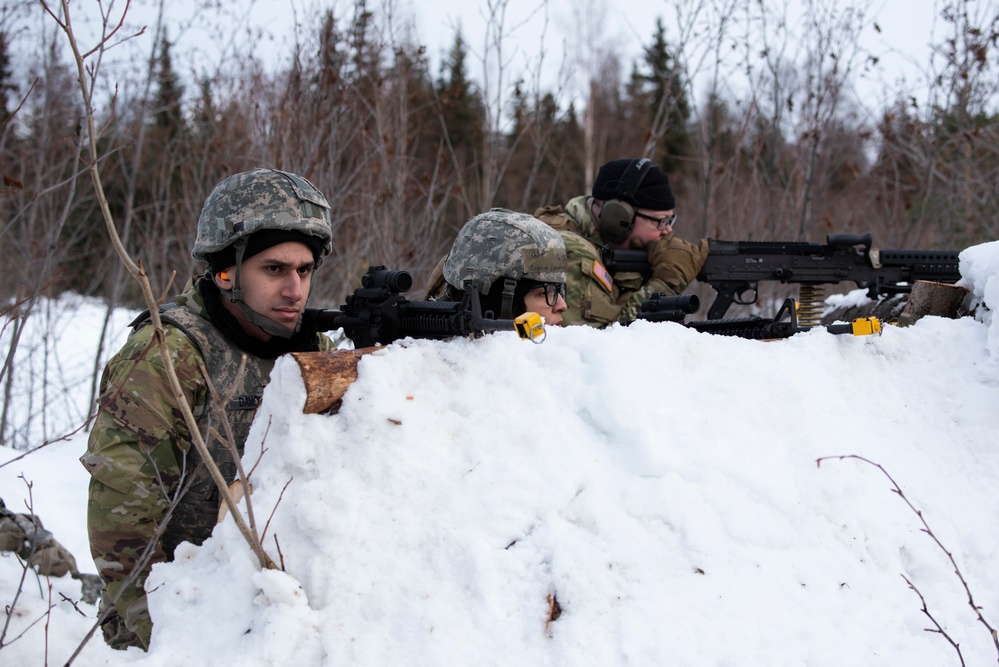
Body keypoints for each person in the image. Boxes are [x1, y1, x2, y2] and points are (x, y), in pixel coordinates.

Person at [81, 168, 336, 651]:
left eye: (304, 270)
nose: (296, 290)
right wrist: (174, 638)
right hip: (175, 619)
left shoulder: (314, 350)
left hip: (277, 619)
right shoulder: (167, 354)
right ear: (226, 271)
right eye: (275, 269)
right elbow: (121, 522)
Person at [533, 157, 709, 328]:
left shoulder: (604, 246)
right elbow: (601, 345)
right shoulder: (569, 250)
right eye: (660, 222)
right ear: (618, 217)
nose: (667, 231)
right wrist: (667, 282)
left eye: (670, 221)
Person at [433, 208, 568, 327]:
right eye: (545, 293)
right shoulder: (432, 354)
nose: (562, 306)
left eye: (559, 289)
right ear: (496, 303)